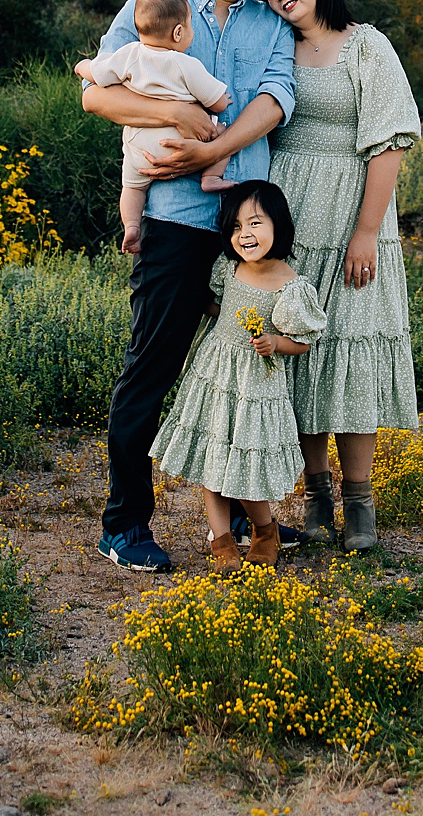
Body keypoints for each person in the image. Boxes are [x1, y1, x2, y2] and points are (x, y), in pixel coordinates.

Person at [81, 0, 296, 573]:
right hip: (174, 218)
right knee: (154, 365)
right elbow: (96, 93)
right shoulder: (155, 6)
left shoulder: (270, 22)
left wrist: (213, 150)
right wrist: (176, 117)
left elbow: (276, 99)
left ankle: (246, 518)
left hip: (247, 225)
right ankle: (124, 526)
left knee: (246, 368)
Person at [267, 0, 420, 553]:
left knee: (352, 358)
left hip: (354, 221)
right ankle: (315, 498)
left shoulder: (366, 46)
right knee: (304, 356)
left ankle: (360, 505)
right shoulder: (274, 46)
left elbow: (388, 144)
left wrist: (366, 232)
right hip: (292, 222)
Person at [150, 180, 326, 570]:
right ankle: (222, 540)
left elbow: (303, 342)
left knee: (246, 466)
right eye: (236, 227)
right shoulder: (229, 269)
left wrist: (275, 342)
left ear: (279, 224)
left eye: (255, 223)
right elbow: (219, 309)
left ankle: (264, 529)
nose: (244, 234)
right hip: (215, 375)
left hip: (255, 386)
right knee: (212, 458)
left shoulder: (290, 285)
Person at [75, 0, 236, 257]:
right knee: (222, 132)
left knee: (132, 188)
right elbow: (216, 102)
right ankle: (211, 177)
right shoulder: (185, 63)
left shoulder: (128, 55)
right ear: (178, 32)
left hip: (140, 147)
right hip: (181, 140)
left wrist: (82, 66)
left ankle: (131, 226)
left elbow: (97, 73)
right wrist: (224, 100)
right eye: (190, 27)